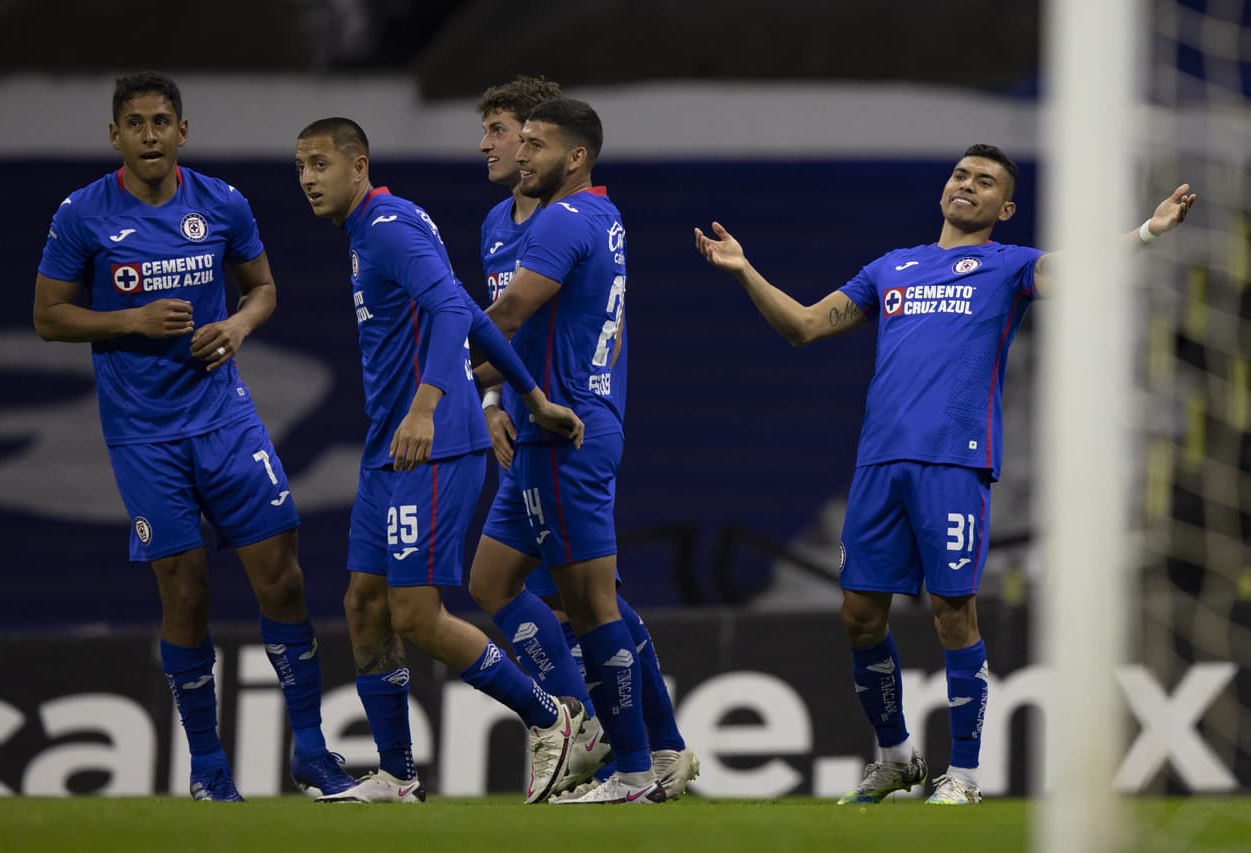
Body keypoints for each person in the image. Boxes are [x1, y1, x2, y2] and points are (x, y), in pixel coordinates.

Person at [695, 144, 1196, 804]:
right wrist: (743, 270)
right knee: (858, 616)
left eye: (985, 181)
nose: (968, 184)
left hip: (954, 463)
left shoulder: (1007, 266)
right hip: (878, 464)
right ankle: (897, 755)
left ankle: (962, 773)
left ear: (1003, 206)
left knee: (953, 612)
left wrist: (1149, 231)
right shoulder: (891, 267)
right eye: (961, 174)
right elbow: (806, 326)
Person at [32, 71, 357, 803]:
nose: (150, 134)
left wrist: (239, 325)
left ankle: (311, 750)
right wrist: (128, 321)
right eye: (136, 123)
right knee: (185, 593)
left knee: (284, 577)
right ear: (115, 135)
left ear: (183, 131)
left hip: (225, 420)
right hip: (145, 437)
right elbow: (49, 315)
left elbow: (264, 287)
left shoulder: (222, 202)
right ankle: (209, 766)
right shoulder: (83, 214)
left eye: (162, 121)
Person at [294, 116, 589, 805]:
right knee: (363, 604)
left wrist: (426, 406)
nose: (307, 178)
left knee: (416, 615)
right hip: (389, 444)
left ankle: (553, 719)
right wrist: (532, 395)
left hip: (435, 441)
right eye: (300, 167)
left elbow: (452, 319)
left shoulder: (390, 227)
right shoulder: (372, 230)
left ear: (358, 164)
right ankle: (397, 776)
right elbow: (470, 309)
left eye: (318, 164)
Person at [468, 77, 698, 799]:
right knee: (493, 581)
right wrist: (496, 391)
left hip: (566, 425)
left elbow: (507, 314)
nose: (509, 149)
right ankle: (634, 744)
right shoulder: (572, 219)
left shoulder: (565, 222)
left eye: (527, 139)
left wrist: (442, 369)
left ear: (573, 155)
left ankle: (627, 757)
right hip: (545, 423)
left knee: (590, 604)